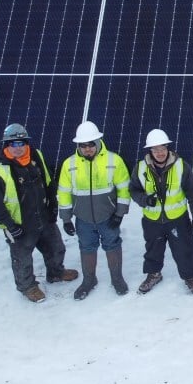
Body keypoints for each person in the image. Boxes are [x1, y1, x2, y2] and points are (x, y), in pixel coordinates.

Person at [0, 123, 78, 304]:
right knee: (22, 258)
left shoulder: (37, 156)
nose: (18, 147)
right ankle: (27, 286)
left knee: (56, 247)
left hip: (43, 216)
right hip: (20, 223)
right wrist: (12, 227)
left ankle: (56, 273)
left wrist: (53, 207)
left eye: (21, 143)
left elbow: (49, 182)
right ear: (6, 146)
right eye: (13, 144)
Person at [57, 120, 131, 299]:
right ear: (78, 146)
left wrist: (119, 214)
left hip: (108, 216)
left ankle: (117, 278)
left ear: (98, 142)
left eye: (91, 145)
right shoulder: (70, 164)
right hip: (83, 218)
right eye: (83, 146)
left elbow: (124, 188)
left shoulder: (114, 160)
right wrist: (66, 219)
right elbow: (64, 192)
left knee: (112, 245)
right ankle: (89, 280)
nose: (88, 149)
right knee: (87, 247)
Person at [129, 129, 193, 295]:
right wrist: (144, 200)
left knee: (184, 249)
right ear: (150, 151)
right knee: (153, 249)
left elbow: (192, 192)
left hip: (177, 218)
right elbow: (133, 190)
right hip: (152, 219)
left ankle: (190, 277)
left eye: (162, 149)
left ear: (168, 148)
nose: (160, 153)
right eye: (155, 150)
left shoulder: (181, 166)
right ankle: (153, 274)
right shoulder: (140, 168)